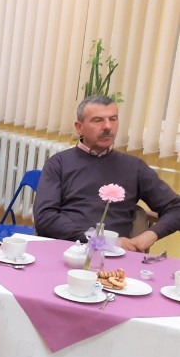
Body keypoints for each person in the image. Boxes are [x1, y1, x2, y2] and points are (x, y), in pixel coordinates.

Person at [33, 95, 180, 251]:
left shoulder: (134, 167)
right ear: (79, 127)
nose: (108, 127)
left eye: (113, 119)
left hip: (115, 258)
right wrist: (101, 241)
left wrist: (150, 235)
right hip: (67, 249)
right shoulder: (58, 164)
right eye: (98, 120)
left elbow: (176, 208)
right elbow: (45, 218)